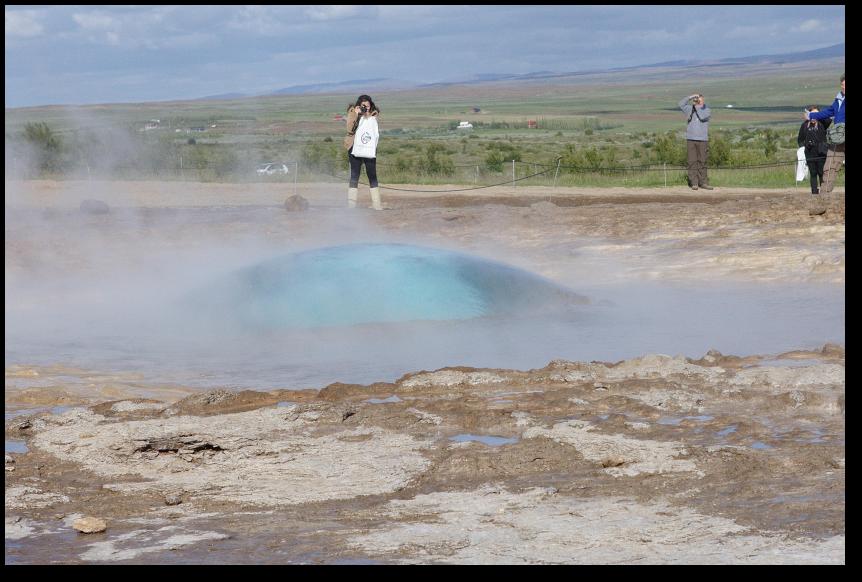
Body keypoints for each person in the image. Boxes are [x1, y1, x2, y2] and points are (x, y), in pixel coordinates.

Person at [805, 73, 845, 194]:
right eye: (842, 85)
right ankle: (823, 197)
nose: (844, 87)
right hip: (838, 137)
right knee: (829, 167)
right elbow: (828, 112)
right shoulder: (838, 100)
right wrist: (811, 115)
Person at [344, 94, 382, 210]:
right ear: (359, 106)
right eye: (364, 106)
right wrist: (356, 115)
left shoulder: (373, 116)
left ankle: (377, 205)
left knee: (372, 176)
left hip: (369, 150)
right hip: (354, 148)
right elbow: (349, 129)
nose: (367, 108)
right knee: (354, 176)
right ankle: (351, 206)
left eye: (368, 106)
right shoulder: (353, 113)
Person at [678, 93, 713, 190]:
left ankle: (703, 182)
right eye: (696, 99)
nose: (697, 100)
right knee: (692, 161)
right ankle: (694, 183)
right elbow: (680, 104)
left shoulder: (707, 110)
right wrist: (690, 97)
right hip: (691, 138)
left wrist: (698, 106)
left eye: (699, 99)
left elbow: (702, 117)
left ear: (703, 100)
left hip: (702, 139)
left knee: (702, 161)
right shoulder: (690, 109)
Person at [797, 106, 830, 194]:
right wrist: (803, 148)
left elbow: (829, 119)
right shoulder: (805, 125)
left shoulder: (822, 124)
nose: (813, 116)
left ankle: (824, 192)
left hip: (821, 152)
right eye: (812, 114)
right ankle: (814, 192)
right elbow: (800, 139)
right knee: (813, 173)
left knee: (821, 172)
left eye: (816, 114)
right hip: (809, 152)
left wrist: (820, 115)